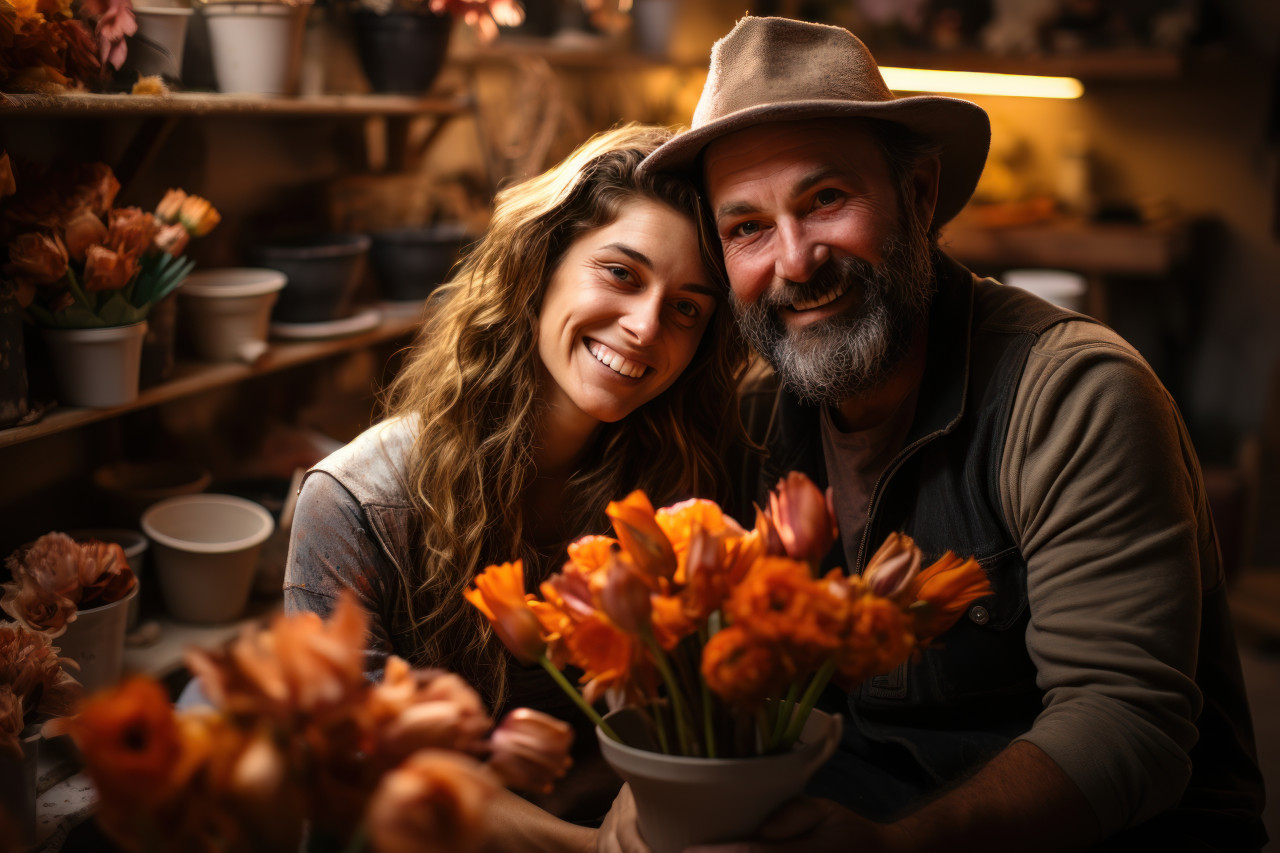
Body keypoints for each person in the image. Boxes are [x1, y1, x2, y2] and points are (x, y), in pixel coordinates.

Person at [600, 16, 1267, 852]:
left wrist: (901, 846)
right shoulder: (761, 413)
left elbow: (1126, 726)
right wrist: (659, 793)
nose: (797, 260)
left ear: (918, 196)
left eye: (826, 200)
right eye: (748, 229)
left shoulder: (1072, 393)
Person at [283, 123, 747, 851]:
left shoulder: (683, 482)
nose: (645, 325)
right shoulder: (356, 503)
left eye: (687, 306)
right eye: (622, 273)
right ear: (541, 265)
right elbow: (356, 772)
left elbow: (699, 715)